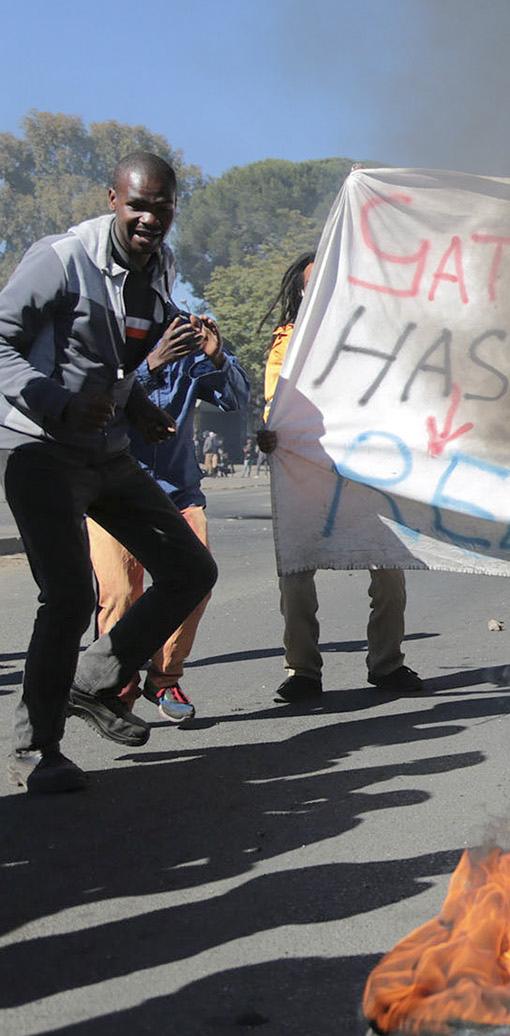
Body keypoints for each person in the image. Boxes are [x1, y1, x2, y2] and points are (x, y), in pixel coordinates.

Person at [0, 152, 219, 793]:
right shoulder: (62, 258)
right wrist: (57, 402)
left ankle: (91, 682)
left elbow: (114, 360)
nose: (150, 218)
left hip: (108, 449)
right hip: (39, 448)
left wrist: (141, 406)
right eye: (138, 206)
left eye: (162, 207)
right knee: (69, 596)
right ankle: (35, 751)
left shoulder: (160, 268)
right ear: (113, 200)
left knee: (191, 570)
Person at [258, 252, 424, 702]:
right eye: (310, 285)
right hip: (306, 474)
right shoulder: (286, 342)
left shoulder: (373, 334)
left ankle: (387, 664)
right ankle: (303, 671)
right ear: (299, 293)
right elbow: (277, 404)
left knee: (389, 571)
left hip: (368, 472)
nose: (319, 292)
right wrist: (270, 431)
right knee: (296, 573)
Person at [88, 307, 250, 722]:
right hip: (113, 495)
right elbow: (99, 403)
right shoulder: (113, 345)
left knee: (195, 585)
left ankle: (164, 679)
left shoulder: (191, 353)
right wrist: (153, 362)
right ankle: (116, 687)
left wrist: (217, 356)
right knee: (119, 594)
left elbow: (237, 399)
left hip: (179, 494)